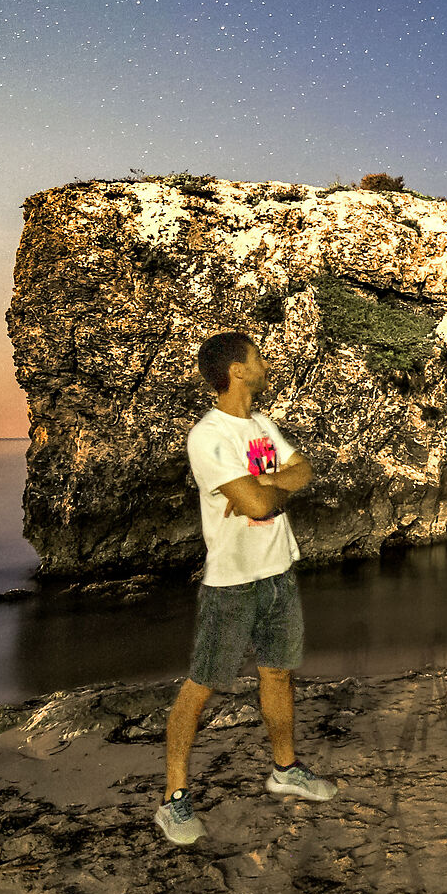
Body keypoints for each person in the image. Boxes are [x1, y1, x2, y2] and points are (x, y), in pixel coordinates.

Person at [154, 331, 338, 845]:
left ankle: (285, 770)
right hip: (232, 583)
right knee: (201, 685)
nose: (264, 364)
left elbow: (302, 473)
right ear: (237, 370)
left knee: (277, 674)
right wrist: (264, 492)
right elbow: (257, 507)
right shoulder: (208, 436)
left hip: (278, 570)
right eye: (256, 358)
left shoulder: (261, 425)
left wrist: (265, 486)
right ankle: (174, 799)